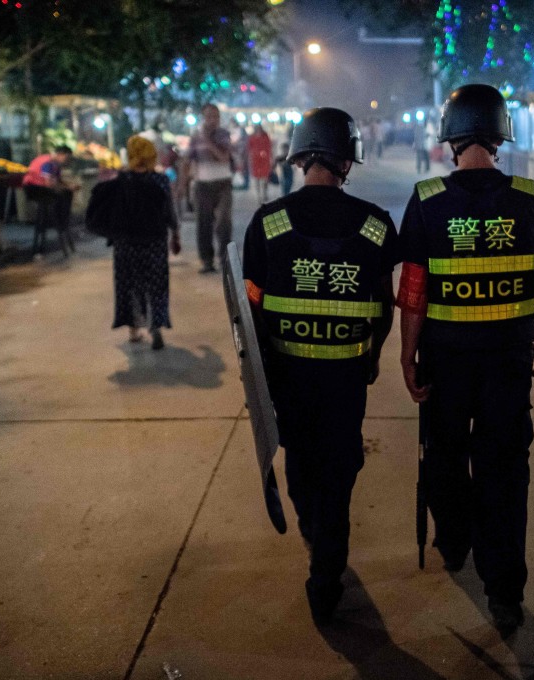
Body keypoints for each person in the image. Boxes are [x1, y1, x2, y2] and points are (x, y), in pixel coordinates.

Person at [396, 84, 534, 636]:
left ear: (450, 139)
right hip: (508, 365)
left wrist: (406, 350)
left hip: (446, 362)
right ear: (498, 136)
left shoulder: (427, 198)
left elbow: (413, 287)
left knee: (444, 456)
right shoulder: (528, 195)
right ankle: (505, 592)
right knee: (506, 471)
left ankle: (454, 538)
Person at [243, 107, 399, 625]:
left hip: (287, 383)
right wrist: (372, 360)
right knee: (338, 473)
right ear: (348, 161)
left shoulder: (269, 223)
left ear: (299, 155)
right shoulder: (376, 226)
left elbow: (252, 311)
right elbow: (384, 307)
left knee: (302, 463)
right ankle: (326, 577)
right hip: (346, 382)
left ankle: (315, 535)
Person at [99, 136, 180, 350]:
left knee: (131, 285)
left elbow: (112, 212)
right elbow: (169, 211)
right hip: (154, 242)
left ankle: (134, 329)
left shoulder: (121, 180)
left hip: (126, 244)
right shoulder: (160, 180)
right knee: (156, 285)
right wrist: (175, 232)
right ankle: (156, 327)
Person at [184, 103, 235, 274]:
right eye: (209, 116)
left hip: (223, 184)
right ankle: (207, 260)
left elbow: (223, 157)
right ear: (203, 117)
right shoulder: (194, 137)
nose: (213, 120)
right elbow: (188, 160)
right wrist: (182, 185)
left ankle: (225, 259)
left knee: (223, 222)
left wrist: (207, 141)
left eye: (216, 116)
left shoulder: (223, 135)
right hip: (202, 185)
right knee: (203, 224)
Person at [23, 145, 78, 255]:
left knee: (67, 193)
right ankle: (60, 222)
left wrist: (69, 186)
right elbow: (49, 183)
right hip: (35, 189)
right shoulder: (47, 162)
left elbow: (58, 181)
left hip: (43, 188)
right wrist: (67, 187)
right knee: (64, 195)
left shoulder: (55, 164)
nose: (67, 161)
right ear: (60, 155)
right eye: (66, 158)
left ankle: (63, 222)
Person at [248, 122, 273, 203]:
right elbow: (249, 148)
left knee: (265, 178)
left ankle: (264, 193)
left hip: (264, 160)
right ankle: (259, 195)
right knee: (257, 179)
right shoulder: (252, 137)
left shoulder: (265, 137)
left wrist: (270, 157)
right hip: (255, 160)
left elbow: (269, 147)